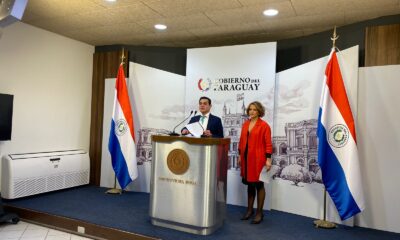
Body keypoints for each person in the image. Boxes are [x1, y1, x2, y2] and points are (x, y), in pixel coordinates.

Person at [238, 101, 272, 224]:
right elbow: (241, 141)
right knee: (250, 184)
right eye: (250, 109)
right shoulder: (245, 124)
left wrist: (268, 159)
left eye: (254, 109)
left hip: (258, 159)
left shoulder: (264, 126)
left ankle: (259, 212)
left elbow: (268, 144)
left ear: (259, 112)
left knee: (259, 185)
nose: (251, 111)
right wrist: (240, 156)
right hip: (246, 159)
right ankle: (249, 210)